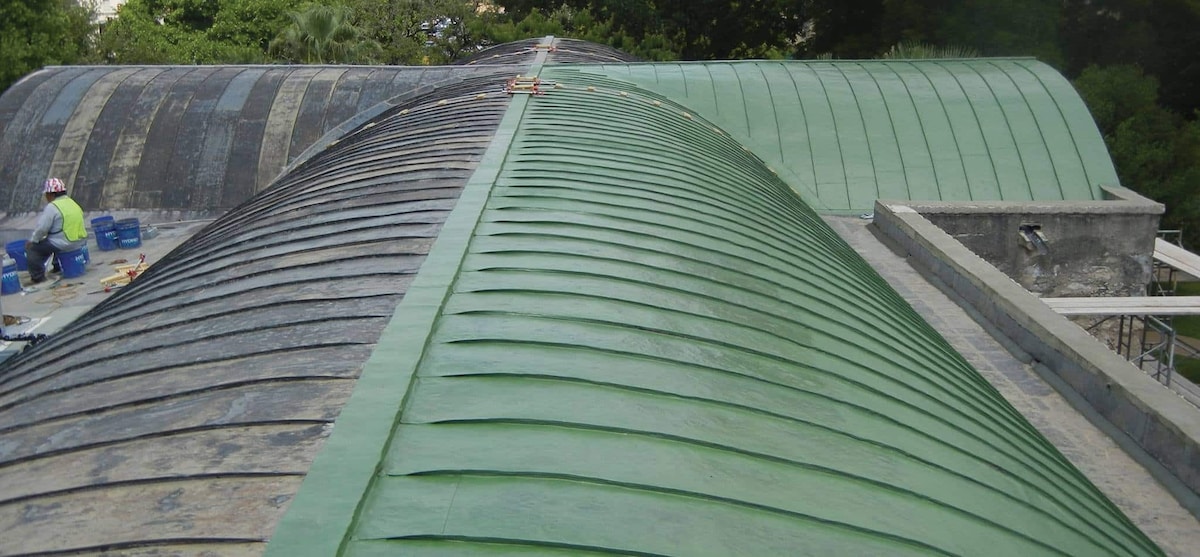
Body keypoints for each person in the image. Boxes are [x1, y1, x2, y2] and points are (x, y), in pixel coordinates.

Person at [26, 177, 87, 284]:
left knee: (34, 249)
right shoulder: (72, 202)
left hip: (65, 242)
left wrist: (33, 240)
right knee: (53, 240)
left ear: (51, 194)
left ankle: (38, 277)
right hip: (80, 241)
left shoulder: (52, 207)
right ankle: (57, 266)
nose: (46, 197)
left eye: (46, 195)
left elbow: (41, 229)